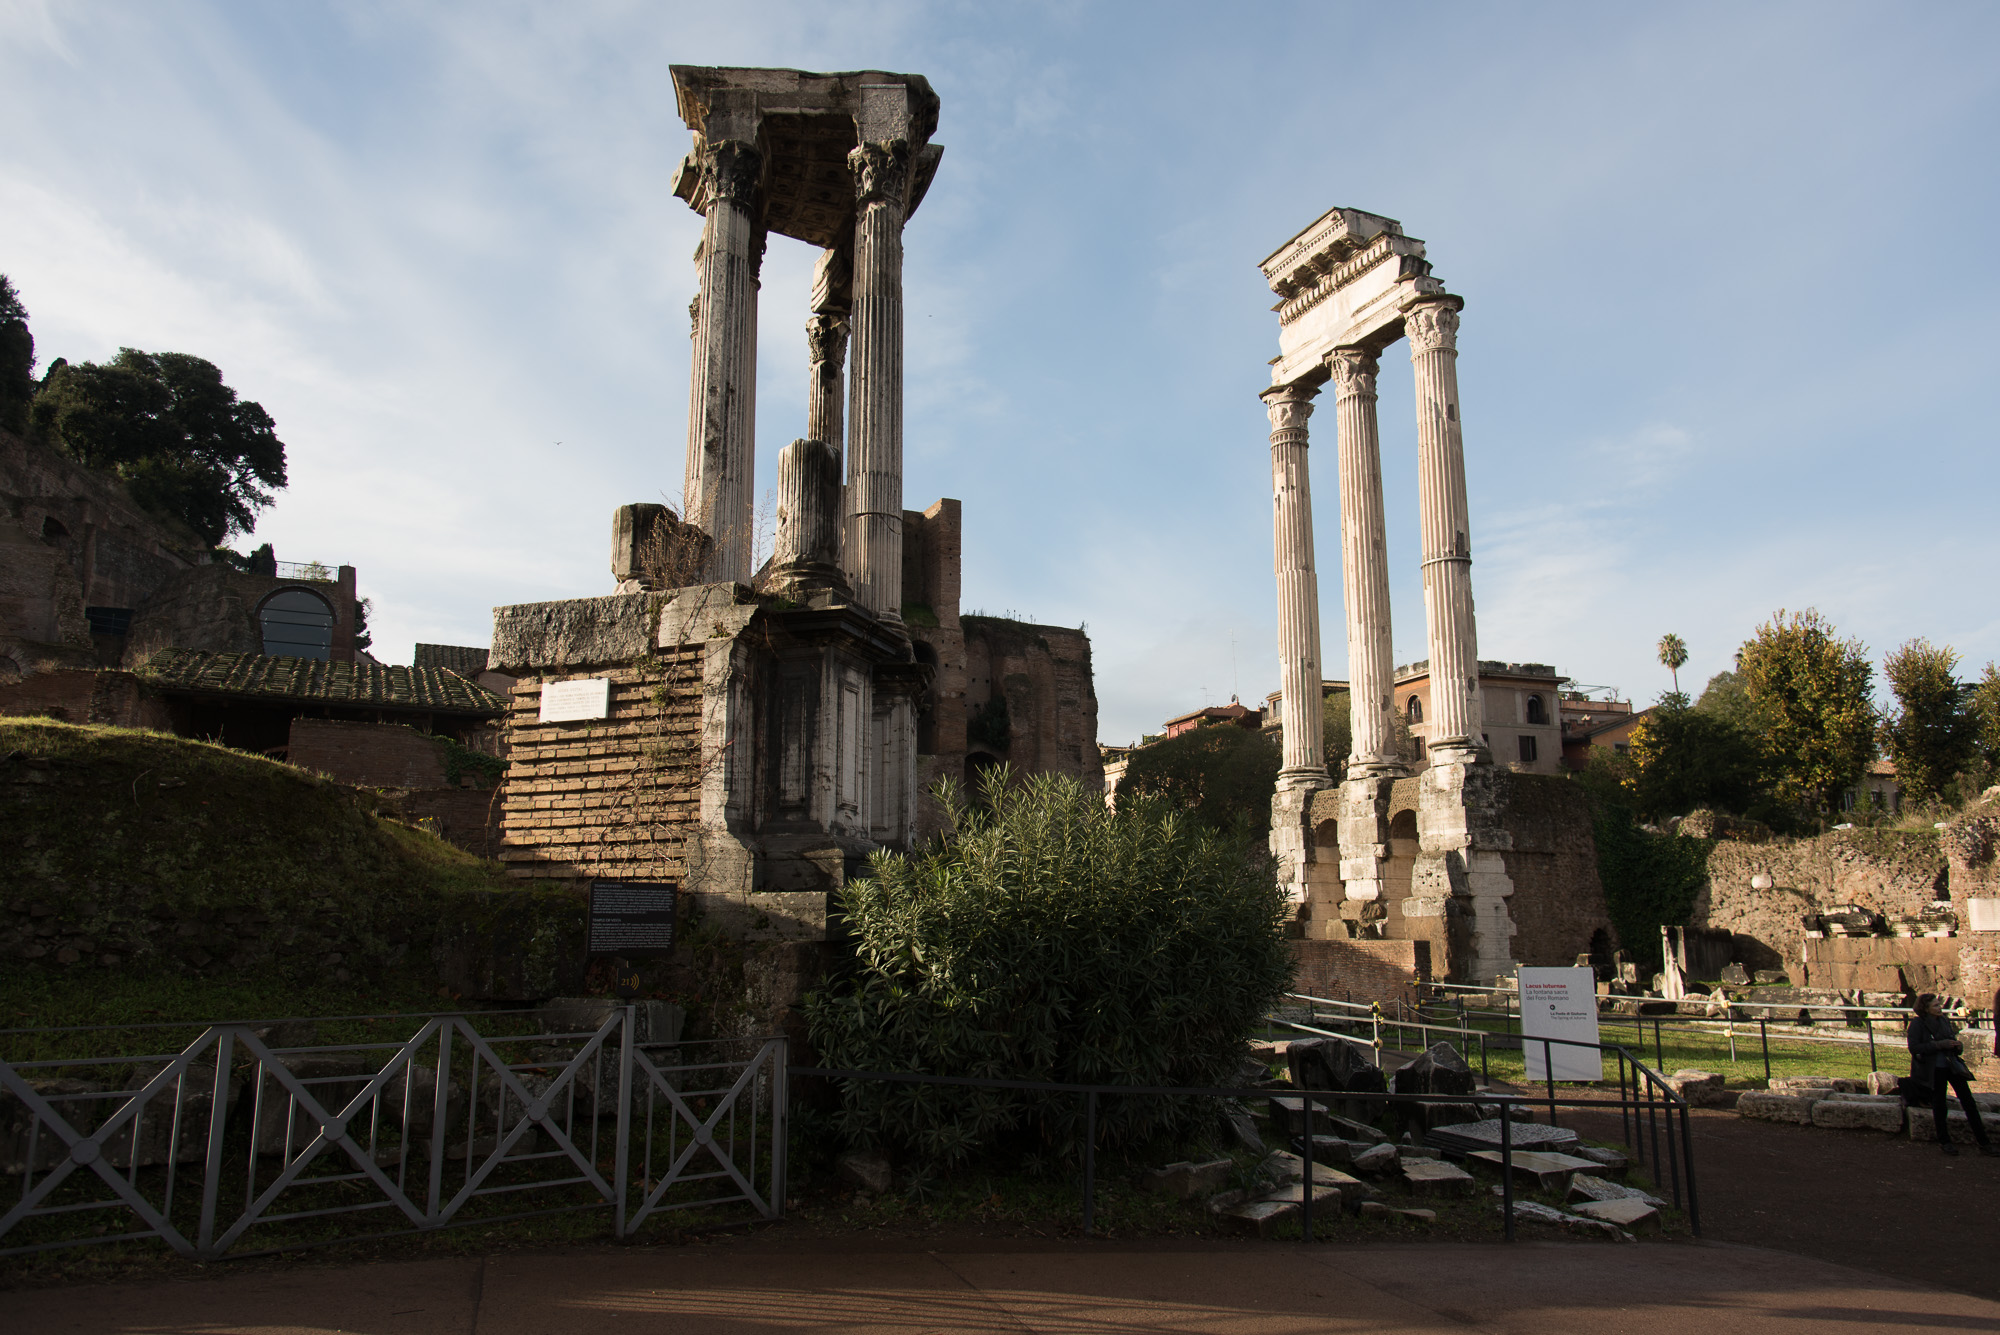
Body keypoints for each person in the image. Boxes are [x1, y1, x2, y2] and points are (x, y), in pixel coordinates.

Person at [1907, 993, 1997, 1156]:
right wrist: (1940, 1045)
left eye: (1939, 1004)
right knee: (1940, 1104)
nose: (1939, 1007)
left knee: (1969, 1102)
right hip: (1933, 1069)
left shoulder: (1943, 1021)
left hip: (1951, 1065)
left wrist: (1957, 1045)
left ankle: (1984, 1142)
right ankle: (1945, 1141)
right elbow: (1914, 1048)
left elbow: (1951, 1039)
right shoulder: (1917, 1024)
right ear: (1925, 1008)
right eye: (1935, 1005)